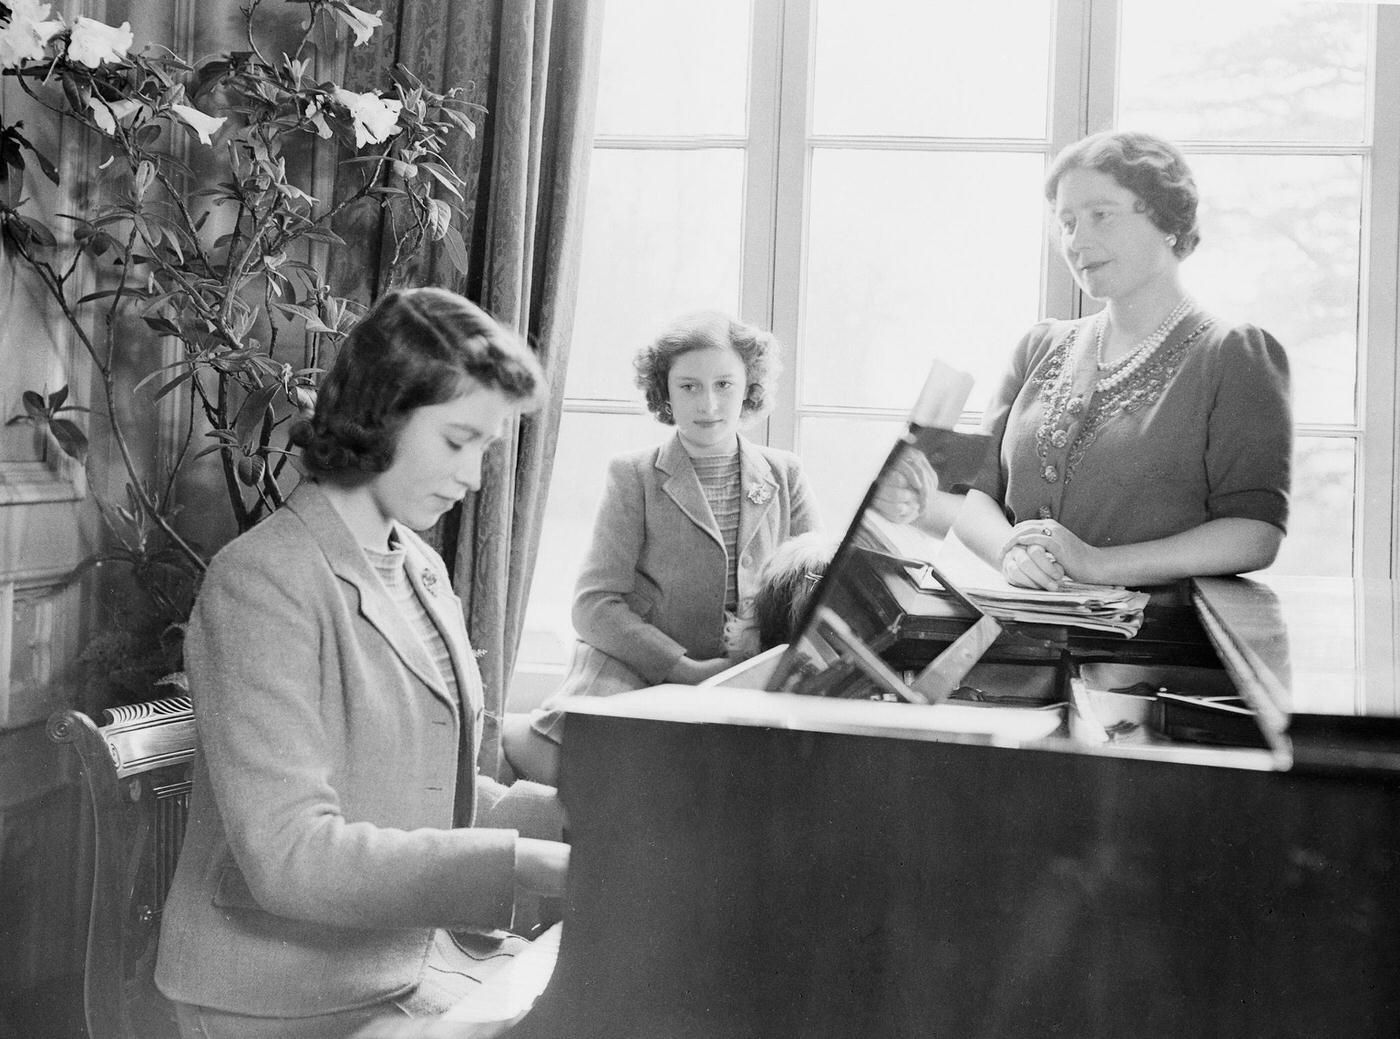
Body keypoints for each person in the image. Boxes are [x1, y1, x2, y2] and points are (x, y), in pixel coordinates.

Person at [154, 288, 570, 1039]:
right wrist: (526, 864)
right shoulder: (262, 579)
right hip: (285, 995)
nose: (474, 476)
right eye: (457, 441)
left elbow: (418, 782)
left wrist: (593, 815)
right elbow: (291, 855)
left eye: (486, 449)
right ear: (382, 411)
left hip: (407, 965)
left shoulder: (416, 564)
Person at [949, 130, 1291, 591]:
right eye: (1067, 222)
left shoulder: (1233, 353)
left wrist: (1096, 564)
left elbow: (1255, 534)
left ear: (1167, 220)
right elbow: (975, 498)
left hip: (1153, 647)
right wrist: (1011, 555)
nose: (1077, 240)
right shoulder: (1038, 346)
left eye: (1101, 216)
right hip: (1021, 634)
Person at [504, 312, 819, 784]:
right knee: (616, 780)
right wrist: (683, 668)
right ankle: (515, 742)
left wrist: (755, 651)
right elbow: (593, 606)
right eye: (688, 386)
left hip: (748, 670)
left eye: (724, 385)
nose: (708, 403)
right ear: (664, 392)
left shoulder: (784, 473)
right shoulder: (633, 475)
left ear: (749, 387)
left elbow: (813, 589)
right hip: (639, 667)